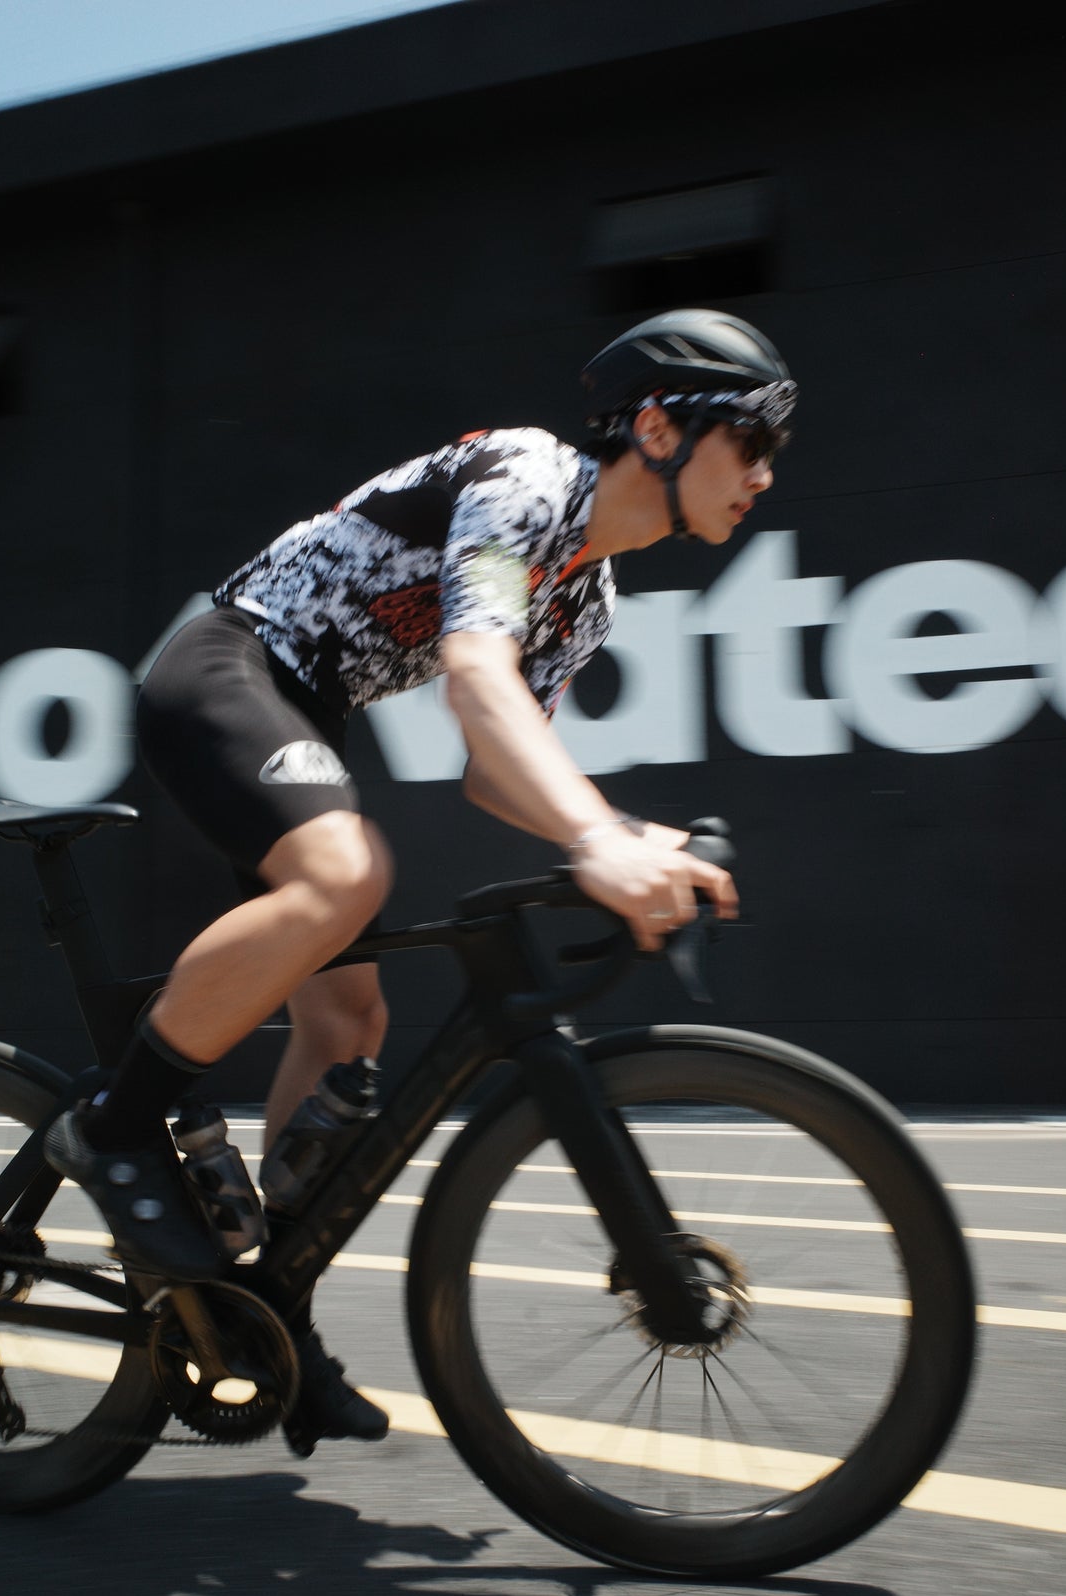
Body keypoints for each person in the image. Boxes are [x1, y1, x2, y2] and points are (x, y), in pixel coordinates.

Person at [45, 307, 797, 1453]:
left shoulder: (584, 596)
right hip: (228, 667)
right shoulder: (527, 478)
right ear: (657, 428)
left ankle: (269, 1316)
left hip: (308, 710)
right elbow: (473, 676)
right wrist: (598, 841)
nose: (764, 475)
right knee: (346, 873)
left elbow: (496, 770)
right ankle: (116, 1127)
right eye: (750, 441)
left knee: (350, 1025)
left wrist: (631, 833)